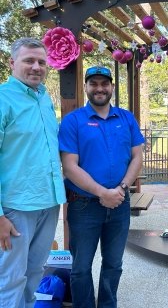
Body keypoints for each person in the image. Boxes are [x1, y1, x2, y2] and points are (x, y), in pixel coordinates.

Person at [58, 66, 144, 308]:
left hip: (120, 203)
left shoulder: (126, 118)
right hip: (84, 206)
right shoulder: (73, 121)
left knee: (114, 264)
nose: (99, 88)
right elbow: (69, 166)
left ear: (112, 88)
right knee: (81, 266)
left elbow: (137, 157)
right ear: (86, 87)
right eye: (93, 83)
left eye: (104, 83)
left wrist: (122, 188)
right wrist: (102, 193)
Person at [0, 37, 66, 307]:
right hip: (16, 208)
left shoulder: (44, 99)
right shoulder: (3, 100)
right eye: (29, 60)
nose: (36, 67)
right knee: (11, 278)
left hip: (48, 202)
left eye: (41, 62)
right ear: (12, 63)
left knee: (35, 273)